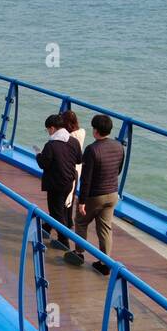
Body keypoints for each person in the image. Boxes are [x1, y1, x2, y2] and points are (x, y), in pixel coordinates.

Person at [65, 115, 127, 273]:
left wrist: (82, 202)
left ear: (96, 130)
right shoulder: (119, 146)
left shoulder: (92, 150)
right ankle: (105, 263)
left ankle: (79, 253)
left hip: (95, 195)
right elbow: (118, 170)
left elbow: (86, 179)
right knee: (105, 228)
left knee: (81, 221)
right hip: (112, 193)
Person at [36, 114, 82, 250]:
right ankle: (47, 228)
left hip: (55, 183)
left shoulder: (51, 145)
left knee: (57, 212)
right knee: (60, 208)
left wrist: (38, 155)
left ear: (52, 128)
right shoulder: (73, 142)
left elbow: (43, 164)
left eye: (48, 129)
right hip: (69, 182)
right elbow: (79, 159)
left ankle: (64, 242)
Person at [60, 110, 85, 215]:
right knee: (72, 192)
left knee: (65, 195)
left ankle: (62, 220)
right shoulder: (82, 132)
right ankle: (68, 218)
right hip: (77, 167)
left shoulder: (69, 137)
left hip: (68, 167)